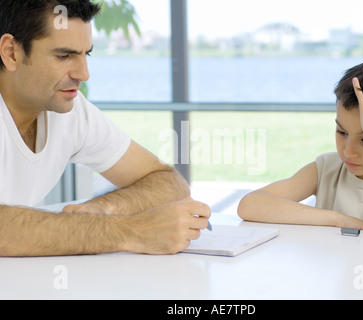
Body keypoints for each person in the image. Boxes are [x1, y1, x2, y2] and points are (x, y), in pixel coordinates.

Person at [0, 0, 210, 257]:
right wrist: (131, 231)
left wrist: (103, 209)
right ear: (11, 52)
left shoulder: (71, 112)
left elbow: (167, 181)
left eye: (85, 54)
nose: (84, 73)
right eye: (64, 56)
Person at [238, 57, 363, 239]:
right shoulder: (328, 169)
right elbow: (249, 205)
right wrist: (337, 220)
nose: (347, 151)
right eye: (341, 132)